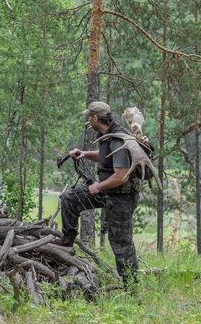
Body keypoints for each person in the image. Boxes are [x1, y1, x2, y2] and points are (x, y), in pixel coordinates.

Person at [57, 101, 140, 285]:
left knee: (120, 241)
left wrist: (98, 187)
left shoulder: (119, 139)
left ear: (95, 118)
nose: (88, 120)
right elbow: (104, 156)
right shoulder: (106, 135)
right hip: (108, 190)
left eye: (89, 117)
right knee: (70, 198)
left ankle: (131, 285)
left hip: (122, 197)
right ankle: (67, 244)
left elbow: (121, 177)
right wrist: (85, 154)